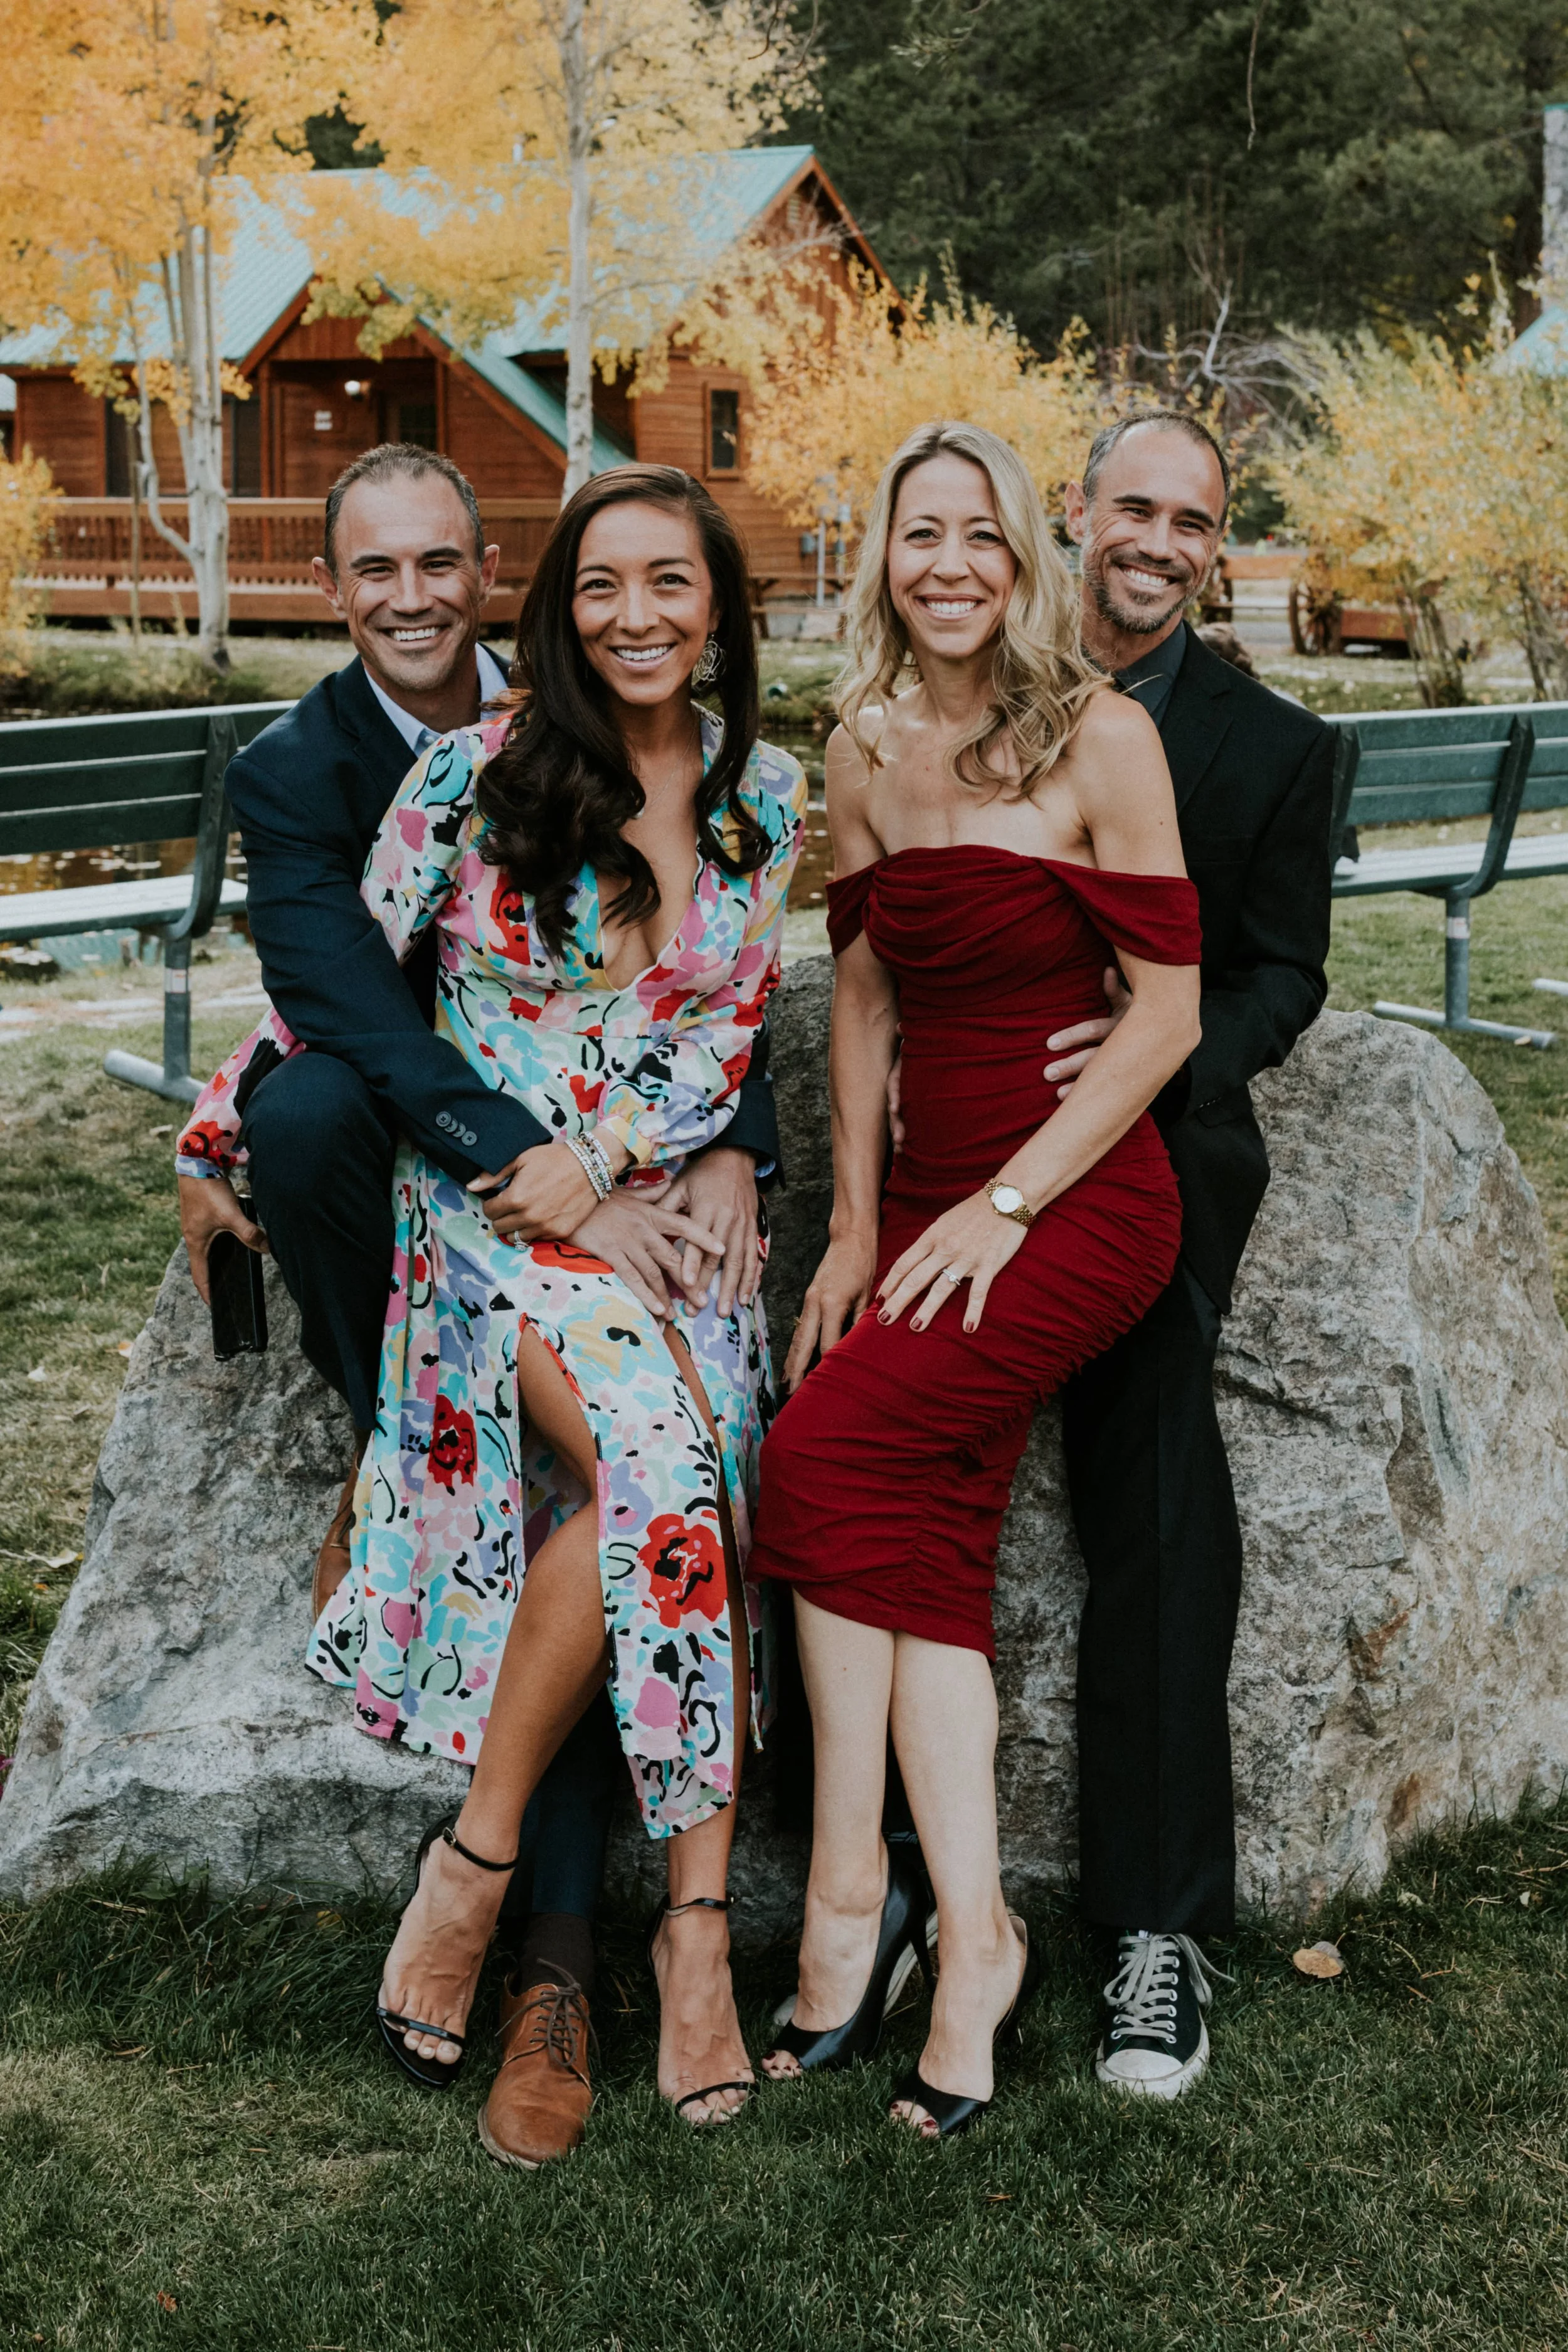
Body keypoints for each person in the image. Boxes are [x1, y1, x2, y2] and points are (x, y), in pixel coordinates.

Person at [177, 461, 805, 2161]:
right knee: (663, 1461)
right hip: (498, 1224)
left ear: (717, 607)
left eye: (669, 585)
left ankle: (613, 1913)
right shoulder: (465, 775)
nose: (635, 618)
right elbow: (345, 993)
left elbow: (721, 1026)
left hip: (662, 1234)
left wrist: (733, 1150)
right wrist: (217, 1125)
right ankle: (580, 1908)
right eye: (604, 589)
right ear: (562, 607)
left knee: (680, 1471)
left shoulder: (767, 804)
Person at [748, 420, 1202, 2139]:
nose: (945, 565)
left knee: (816, 1458)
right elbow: (862, 990)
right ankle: (977, 1937)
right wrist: (860, 1224)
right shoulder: (857, 748)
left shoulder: (1100, 735)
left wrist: (1001, 1203)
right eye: (913, 534)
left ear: (1025, 557)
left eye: (978, 537)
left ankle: (853, 1889)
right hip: (930, 1190)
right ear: (881, 555)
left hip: (1073, 1193)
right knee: (923, 1538)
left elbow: (1162, 1008)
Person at [1039, 410, 1334, 2096]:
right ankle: (912, 1899)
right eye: (1129, 506)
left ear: (1216, 547)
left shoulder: (1275, 748)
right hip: (959, 1142)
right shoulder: (970, 692)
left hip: (1154, 1151)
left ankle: (1155, 1928)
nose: (1153, 538)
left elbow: (1283, 973)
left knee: (1157, 1463)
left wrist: (1162, 1052)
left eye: (1190, 520)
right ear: (1076, 513)